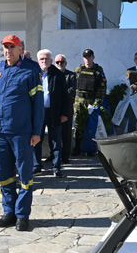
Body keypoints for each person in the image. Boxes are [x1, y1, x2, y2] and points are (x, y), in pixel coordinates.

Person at [0, 35, 44, 232]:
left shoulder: (31, 70)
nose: (8, 50)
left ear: (20, 50)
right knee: (3, 175)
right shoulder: (0, 71)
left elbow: (38, 104)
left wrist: (37, 131)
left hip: (21, 132)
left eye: (12, 47)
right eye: (6, 47)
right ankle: (9, 212)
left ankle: (22, 214)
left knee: (25, 175)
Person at [34, 49, 69, 178]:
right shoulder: (33, 73)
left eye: (46, 59)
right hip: (38, 113)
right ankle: (36, 166)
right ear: (38, 61)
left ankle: (56, 167)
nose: (44, 61)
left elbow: (65, 96)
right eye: (42, 59)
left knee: (55, 141)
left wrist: (64, 113)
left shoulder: (57, 74)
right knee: (36, 139)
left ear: (51, 60)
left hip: (54, 112)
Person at [73, 49, 107, 156]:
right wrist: (73, 101)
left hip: (92, 101)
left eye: (89, 56)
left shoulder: (98, 70)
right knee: (78, 124)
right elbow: (73, 86)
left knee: (91, 125)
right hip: (79, 101)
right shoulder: (78, 70)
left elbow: (102, 88)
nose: (87, 59)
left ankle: (90, 148)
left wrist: (97, 102)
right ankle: (77, 147)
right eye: (85, 57)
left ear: (93, 57)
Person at [55, 54, 77, 164]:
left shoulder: (71, 75)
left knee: (66, 133)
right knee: (54, 134)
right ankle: (54, 155)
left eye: (62, 62)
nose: (60, 64)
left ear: (66, 63)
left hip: (67, 109)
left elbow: (72, 91)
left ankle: (65, 156)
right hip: (55, 109)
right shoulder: (52, 75)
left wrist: (58, 94)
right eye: (57, 62)